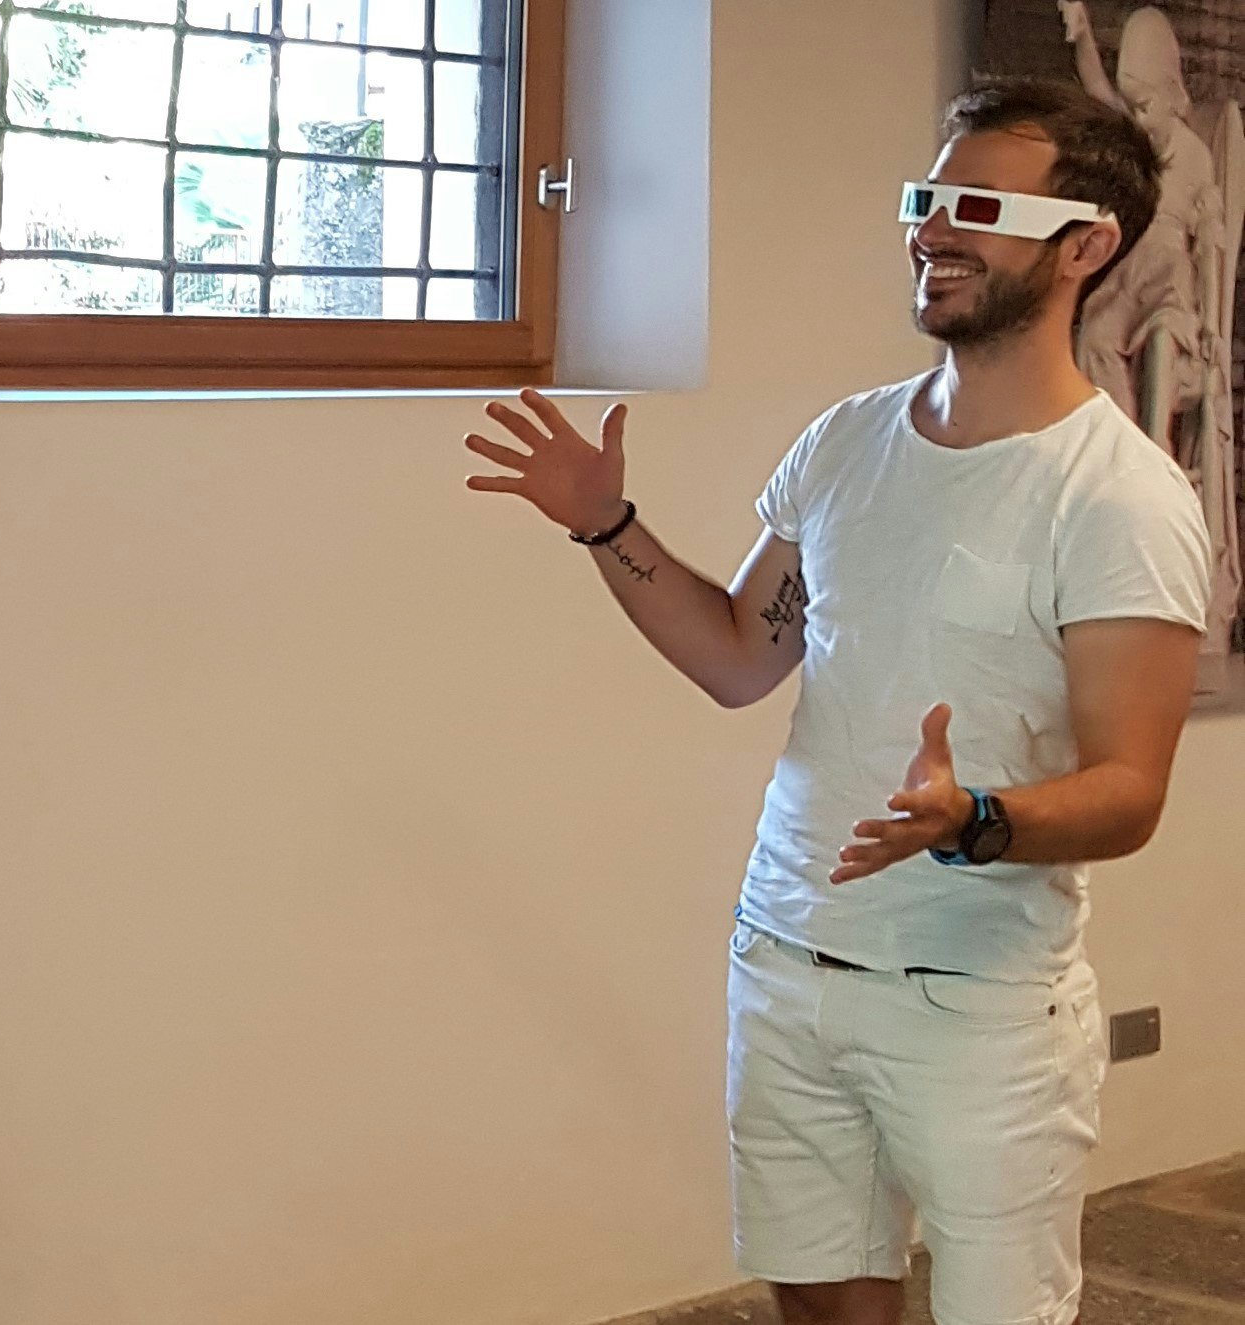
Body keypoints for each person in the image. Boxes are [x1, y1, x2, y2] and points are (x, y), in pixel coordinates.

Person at [463, 79, 1208, 1325]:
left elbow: (1129, 790)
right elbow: (736, 656)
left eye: (978, 207)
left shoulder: (1118, 496)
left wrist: (975, 817)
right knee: (819, 1304)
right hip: (789, 954)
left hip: (977, 1002)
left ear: (1087, 246)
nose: (932, 231)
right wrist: (605, 524)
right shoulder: (847, 441)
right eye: (926, 198)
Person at [1059, 0, 1242, 652]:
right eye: (1131, 107)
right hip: (1126, 268)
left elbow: (1214, 245)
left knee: (1166, 336)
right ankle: (1114, 454)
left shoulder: (1193, 156)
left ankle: (1155, 457)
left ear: (1172, 95)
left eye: (1144, 106)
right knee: (1094, 335)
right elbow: (1096, 87)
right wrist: (1083, 33)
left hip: (1170, 279)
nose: (1134, 117)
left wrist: (1214, 322)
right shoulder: (1135, 138)